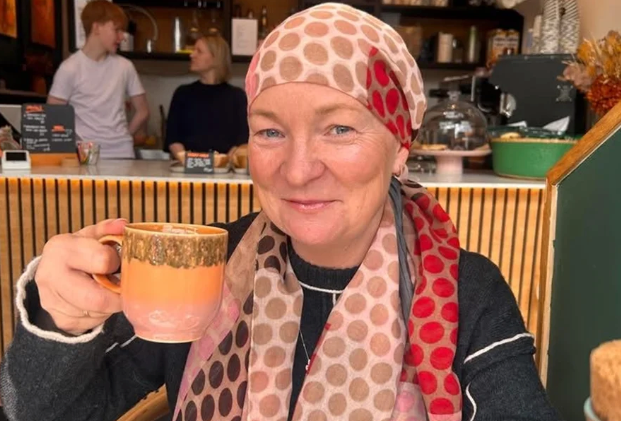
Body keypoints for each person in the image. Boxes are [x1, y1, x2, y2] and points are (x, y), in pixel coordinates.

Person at [0, 3, 561, 421]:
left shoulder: (463, 292)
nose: (296, 171)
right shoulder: (206, 265)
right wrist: (60, 322)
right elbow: (39, 410)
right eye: (270, 131)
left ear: (399, 147)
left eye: (338, 128)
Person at [47, 0, 149, 159]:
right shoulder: (69, 68)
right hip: (85, 156)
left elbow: (143, 111)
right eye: (117, 30)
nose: (122, 37)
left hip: (123, 154)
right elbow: (52, 114)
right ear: (96, 28)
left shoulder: (125, 66)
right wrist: (73, 144)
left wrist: (125, 137)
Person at [164, 34, 248, 162]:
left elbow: (243, 140)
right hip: (187, 169)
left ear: (216, 58)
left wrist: (223, 162)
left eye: (199, 51)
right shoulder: (182, 94)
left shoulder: (237, 97)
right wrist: (190, 162)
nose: (192, 55)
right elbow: (173, 138)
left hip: (225, 170)